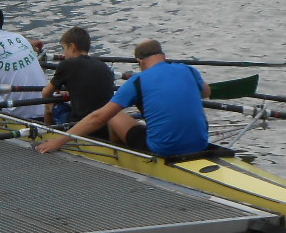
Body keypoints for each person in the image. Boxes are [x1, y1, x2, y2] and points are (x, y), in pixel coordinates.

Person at [36, 38, 211, 158]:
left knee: (114, 115)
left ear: (140, 61)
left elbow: (98, 118)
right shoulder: (189, 70)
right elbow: (206, 92)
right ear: (163, 56)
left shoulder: (138, 81)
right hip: (201, 143)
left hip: (164, 149)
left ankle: (120, 157)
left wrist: (59, 141)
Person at [40, 27, 116, 137]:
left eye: (64, 48)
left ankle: (48, 134)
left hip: (80, 126)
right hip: (105, 127)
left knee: (51, 103)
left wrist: (53, 97)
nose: (64, 54)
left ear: (72, 47)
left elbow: (46, 93)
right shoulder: (104, 66)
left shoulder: (67, 64)